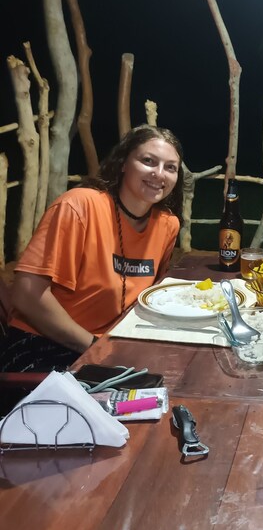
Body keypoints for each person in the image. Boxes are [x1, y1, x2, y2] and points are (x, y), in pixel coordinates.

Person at [0, 125, 184, 373]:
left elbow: (149, 299)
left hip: (111, 345)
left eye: (170, 167)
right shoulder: (79, 206)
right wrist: (94, 347)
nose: (159, 173)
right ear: (123, 163)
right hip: (42, 344)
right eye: (148, 161)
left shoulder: (167, 225)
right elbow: (26, 294)